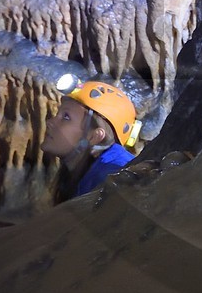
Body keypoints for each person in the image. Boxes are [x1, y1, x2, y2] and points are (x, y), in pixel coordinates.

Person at [42, 71, 141, 199]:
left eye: (66, 117)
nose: (49, 122)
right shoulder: (88, 173)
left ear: (95, 137)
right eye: (58, 114)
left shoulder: (113, 178)